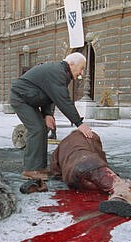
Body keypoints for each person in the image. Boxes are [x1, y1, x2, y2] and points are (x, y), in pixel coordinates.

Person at [42, 130, 131, 218]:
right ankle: (120, 199)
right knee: (117, 184)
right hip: (89, 163)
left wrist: (63, 174)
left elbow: (55, 169)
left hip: (73, 177)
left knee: (111, 184)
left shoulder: (62, 145)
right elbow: (101, 157)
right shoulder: (91, 136)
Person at [9, 52, 93, 181]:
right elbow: (63, 100)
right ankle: (30, 170)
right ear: (71, 64)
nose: (82, 73)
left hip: (31, 99)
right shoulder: (58, 73)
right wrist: (79, 123)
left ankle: (40, 167)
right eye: (81, 68)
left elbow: (49, 95)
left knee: (42, 128)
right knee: (36, 129)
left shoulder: (62, 73)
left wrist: (47, 114)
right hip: (20, 98)